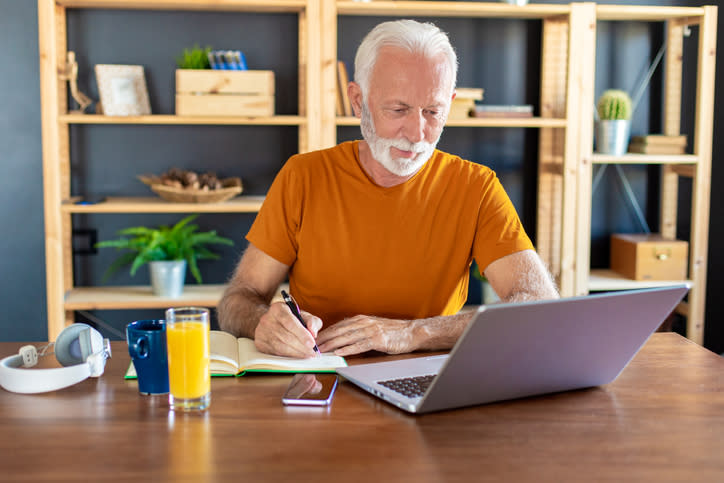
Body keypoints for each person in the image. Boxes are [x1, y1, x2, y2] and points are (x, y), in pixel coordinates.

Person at [218, 19, 558, 358]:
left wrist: (414, 333)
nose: (416, 131)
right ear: (357, 100)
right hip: (319, 380)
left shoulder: (476, 187)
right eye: (398, 110)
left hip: (428, 389)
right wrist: (263, 323)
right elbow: (239, 299)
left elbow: (540, 307)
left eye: (433, 111)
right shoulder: (303, 176)